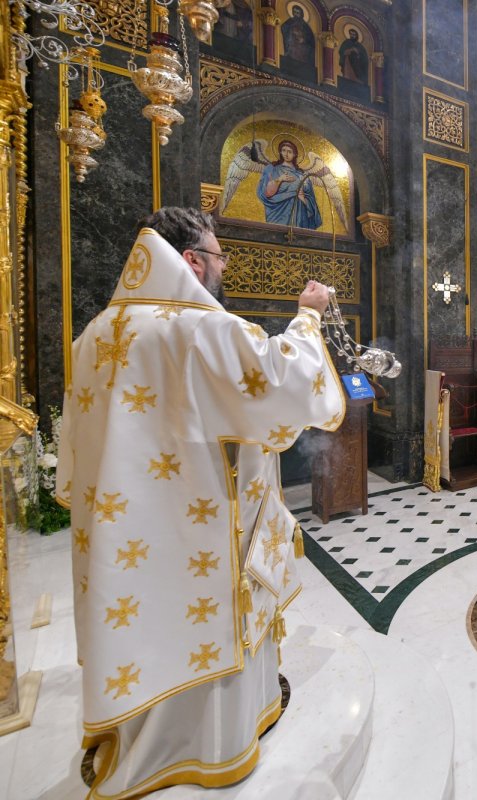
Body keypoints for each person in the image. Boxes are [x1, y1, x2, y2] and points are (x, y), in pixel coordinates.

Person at [55, 208, 344, 797]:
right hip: (201, 529)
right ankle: (213, 744)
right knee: (204, 618)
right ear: (190, 261)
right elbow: (282, 381)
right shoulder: (197, 328)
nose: (224, 266)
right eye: (217, 255)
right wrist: (308, 316)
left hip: (125, 537)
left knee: (141, 625)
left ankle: (140, 740)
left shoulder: (94, 335)